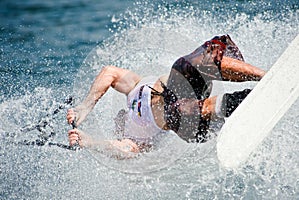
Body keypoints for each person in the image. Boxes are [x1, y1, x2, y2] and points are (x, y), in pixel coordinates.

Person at [67, 34, 265, 157]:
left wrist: (84, 107)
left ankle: (265, 77)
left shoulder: (134, 88)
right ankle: (244, 99)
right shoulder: (134, 138)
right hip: (195, 125)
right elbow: (124, 149)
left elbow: (109, 72)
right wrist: (91, 142)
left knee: (184, 65)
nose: (114, 119)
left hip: (195, 89)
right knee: (177, 110)